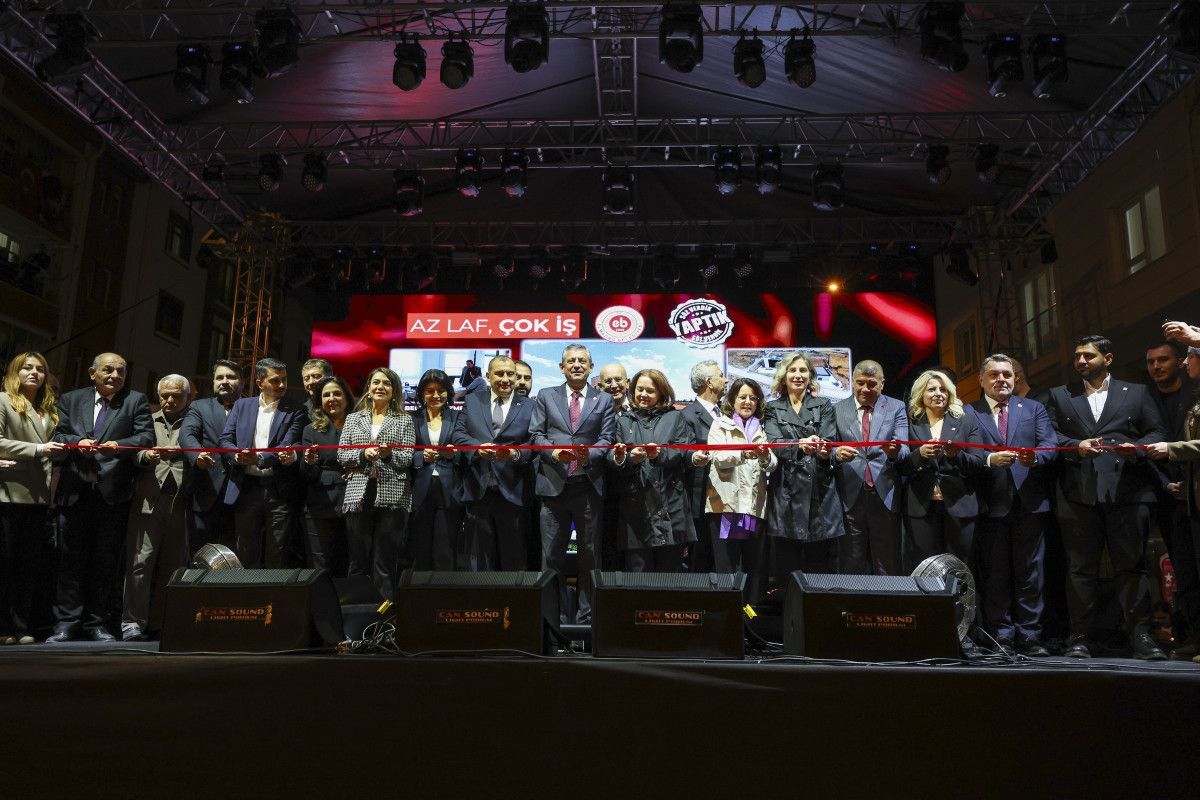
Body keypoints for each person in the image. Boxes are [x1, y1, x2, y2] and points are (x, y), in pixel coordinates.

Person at [1045, 335, 1167, 660]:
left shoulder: (1137, 392)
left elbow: (1157, 432)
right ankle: (1079, 638)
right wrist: (1075, 446)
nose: (1081, 361)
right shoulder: (1060, 395)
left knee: (1132, 567)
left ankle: (1141, 637)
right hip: (1078, 494)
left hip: (1127, 491)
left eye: (1088, 356)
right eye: (1077, 356)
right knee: (1080, 570)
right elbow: (1049, 437)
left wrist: (1136, 449)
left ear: (1108, 359)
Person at [49, 352, 154, 642]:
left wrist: (118, 446)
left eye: (121, 371)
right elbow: (57, 434)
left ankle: (96, 623)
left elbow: (146, 438)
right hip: (75, 492)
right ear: (92, 372)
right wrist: (77, 442)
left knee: (105, 563)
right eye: (108, 370)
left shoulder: (135, 401)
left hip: (113, 495)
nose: (115, 376)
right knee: (70, 562)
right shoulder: (71, 399)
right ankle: (66, 623)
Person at [965, 354, 1057, 656]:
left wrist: (1036, 457)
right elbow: (965, 453)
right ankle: (1000, 635)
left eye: (1007, 374)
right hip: (990, 504)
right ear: (981, 380)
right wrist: (989, 459)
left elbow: (1049, 445)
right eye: (994, 374)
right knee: (996, 573)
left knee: (1031, 573)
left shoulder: (1033, 408)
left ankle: (1030, 635)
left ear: (1015, 378)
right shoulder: (969, 411)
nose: (1001, 379)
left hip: (1029, 503)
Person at [530, 344, 615, 624]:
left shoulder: (604, 399)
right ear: (562, 367)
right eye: (570, 361)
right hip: (553, 486)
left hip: (587, 486)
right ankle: (551, 618)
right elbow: (536, 435)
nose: (576, 365)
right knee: (551, 556)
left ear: (591, 367)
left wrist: (587, 454)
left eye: (581, 361)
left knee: (589, 556)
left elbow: (607, 438)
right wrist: (553, 453)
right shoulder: (546, 395)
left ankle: (585, 619)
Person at [121, 375, 192, 642]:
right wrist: (146, 455)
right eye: (164, 395)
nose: (169, 400)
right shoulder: (147, 420)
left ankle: (162, 621)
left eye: (176, 395)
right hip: (148, 499)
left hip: (182, 501)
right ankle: (132, 623)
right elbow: (132, 451)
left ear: (188, 397)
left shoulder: (195, 422)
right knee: (139, 562)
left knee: (173, 565)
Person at [218, 357, 307, 569]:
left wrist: (258, 459)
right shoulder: (242, 405)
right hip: (246, 487)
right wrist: (237, 456)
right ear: (260, 383)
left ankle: (273, 592)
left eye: (284, 379)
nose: (282, 385)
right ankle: (248, 591)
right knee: (246, 550)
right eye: (275, 380)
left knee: (278, 552)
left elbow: (287, 444)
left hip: (278, 488)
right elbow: (225, 439)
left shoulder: (297, 409)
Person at [0, 352, 63, 645]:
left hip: (38, 496)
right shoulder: (3, 401)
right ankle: (3, 626)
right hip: (9, 492)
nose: (34, 373)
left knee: (28, 565)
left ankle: (21, 626)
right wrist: (38, 450)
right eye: (27, 368)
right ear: (16, 372)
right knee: (5, 562)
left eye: (40, 369)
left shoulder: (49, 411)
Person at [763, 353, 842, 586]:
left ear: (810, 376)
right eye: (793, 370)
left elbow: (829, 441)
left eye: (803, 371)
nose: (798, 375)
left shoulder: (824, 405)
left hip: (820, 492)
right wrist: (799, 445)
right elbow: (773, 443)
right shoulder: (772, 408)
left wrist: (823, 450)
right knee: (787, 570)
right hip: (785, 493)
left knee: (819, 569)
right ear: (783, 376)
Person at [338, 368, 415, 600]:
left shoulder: (404, 419)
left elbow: (407, 458)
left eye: (387, 384)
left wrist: (388, 454)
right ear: (369, 388)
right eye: (376, 382)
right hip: (358, 493)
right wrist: (363, 454)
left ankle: (385, 613)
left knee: (385, 560)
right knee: (357, 559)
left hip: (393, 494)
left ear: (394, 390)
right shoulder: (353, 418)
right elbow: (342, 455)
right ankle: (355, 611)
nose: (380, 387)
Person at [453, 356, 536, 571]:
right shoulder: (473, 400)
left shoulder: (530, 406)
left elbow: (534, 442)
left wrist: (515, 454)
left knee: (513, 562)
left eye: (511, 374)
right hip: (478, 491)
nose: (506, 379)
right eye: (500, 374)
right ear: (488, 376)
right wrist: (477, 449)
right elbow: (459, 434)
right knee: (479, 565)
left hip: (513, 493)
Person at [609, 369, 695, 572]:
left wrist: (658, 455)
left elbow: (683, 451)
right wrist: (627, 458)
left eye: (650, 391)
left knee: (669, 576)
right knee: (638, 577)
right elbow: (612, 459)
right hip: (635, 508)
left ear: (661, 393)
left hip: (671, 505)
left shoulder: (675, 417)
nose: (643, 395)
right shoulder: (623, 420)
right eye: (640, 389)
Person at [897, 369, 984, 568]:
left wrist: (956, 454)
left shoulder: (966, 420)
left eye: (943, 389)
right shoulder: (910, 421)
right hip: (921, 507)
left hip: (959, 504)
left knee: (958, 566)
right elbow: (899, 466)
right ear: (921, 394)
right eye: (932, 389)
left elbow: (977, 463)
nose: (938, 394)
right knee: (925, 567)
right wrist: (920, 454)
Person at [1146, 345, 1200, 661]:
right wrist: (1165, 484)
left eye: (1163, 359)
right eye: (1151, 362)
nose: (1157, 366)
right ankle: (1192, 636)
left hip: (1194, 490)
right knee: (1184, 571)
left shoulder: (1194, 394)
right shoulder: (1145, 399)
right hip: (1169, 497)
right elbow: (1146, 448)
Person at [828, 360, 908, 575]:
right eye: (860, 383)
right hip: (849, 492)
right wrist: (837, 453)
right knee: (851, 558)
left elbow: (904, 450)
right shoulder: (837, 409)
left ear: (882, 383)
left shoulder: (896, 407)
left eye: (872, 384)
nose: (865, 389)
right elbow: (830, 449)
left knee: (887, 559)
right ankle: (853, 597)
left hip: (884, 491)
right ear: (852, 382)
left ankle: (889, 597)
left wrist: (894, 451)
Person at [706, 378, 776, 599]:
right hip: (729, 507)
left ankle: (751, 613)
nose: (748, 402)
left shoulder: (760, 427)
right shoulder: (720, 424)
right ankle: (730, 612)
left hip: (752, 507)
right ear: (732, 400)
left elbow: (772, 464)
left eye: (753, 398)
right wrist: (744, 453)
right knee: (729, 565)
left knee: (754, 565)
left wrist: (765, 456)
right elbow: (718, 457)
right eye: (742, 397)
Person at [180, 360, 242, 551]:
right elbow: (187, 434)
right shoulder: (200, 406)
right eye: (219, 377)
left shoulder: (253, 407)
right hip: (205, 490)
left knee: (235, 555)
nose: (224, 381)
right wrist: (197, 455)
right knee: (200, 553)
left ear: (242, 382)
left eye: (231, 377)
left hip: (242, 493)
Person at [409, 369, 463, 571]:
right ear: (422, 393)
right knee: (419, 549)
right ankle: (419, 590)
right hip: (420, 488)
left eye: (441, 390)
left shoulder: (458, 417)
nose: (435, 395)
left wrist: (454, 454)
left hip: (450, 489)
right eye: (430, 390)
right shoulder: (412, 418)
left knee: (445, 550)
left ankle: (444, 591)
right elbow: (404, 453)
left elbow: (465, 451)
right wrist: (420, 457)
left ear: (448, 392)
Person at [300, 375, 354, 576]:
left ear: (347, 397)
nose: (331, 399)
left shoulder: (359, 426)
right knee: (321, 565)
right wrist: (309, 461)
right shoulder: (311, 430)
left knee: (350, 562)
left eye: (337, 393)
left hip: (354, 503)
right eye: (326, 395)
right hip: (320, 504)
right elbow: (307, 475)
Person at [680, 360, 727, 573]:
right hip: (700, 501)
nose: (726, 380)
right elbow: (684, 454)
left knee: (724, 559)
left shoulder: (725, 413)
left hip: (726, 498)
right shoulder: (687, 415)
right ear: (709, 382)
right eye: (721, 375)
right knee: (700, 561)